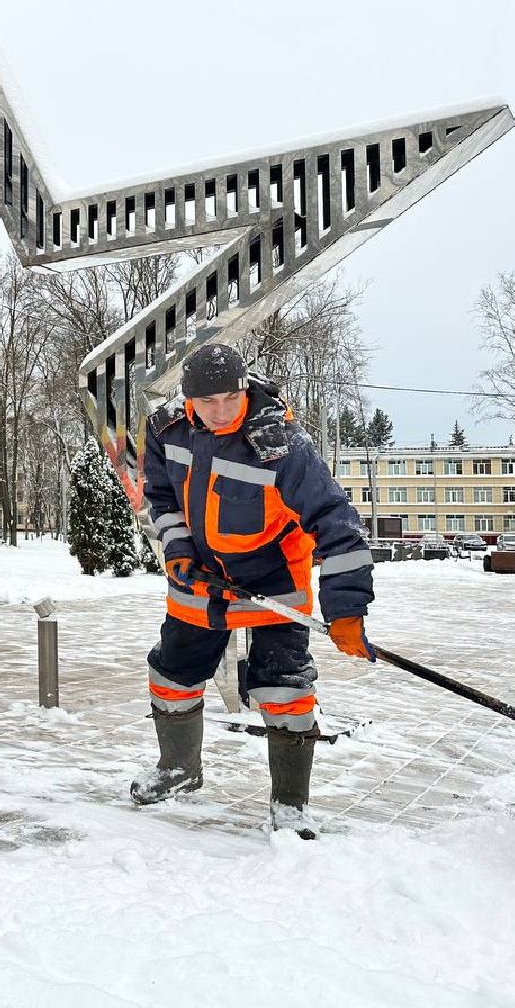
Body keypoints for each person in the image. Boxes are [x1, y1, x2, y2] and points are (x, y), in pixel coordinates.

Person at [131, 342, 375, 838]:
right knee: (172, 675)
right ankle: (179, 769)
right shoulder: (166, 430)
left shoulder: (279, 443)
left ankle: (290, 806)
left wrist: (347, 609)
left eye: (229, 398)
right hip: (200, 578)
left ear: (245, 389)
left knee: (283, 689)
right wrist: (178, 549)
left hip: (273, 582)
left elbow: (337, 523)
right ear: (188, 399)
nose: (220, 411)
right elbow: (159, 496)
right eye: (207, 401)